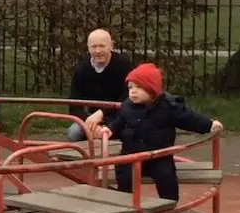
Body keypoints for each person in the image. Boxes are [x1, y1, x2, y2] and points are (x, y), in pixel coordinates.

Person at [96, 63, 223, 204]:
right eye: (130, 87)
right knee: (125, 178)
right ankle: (126, 211)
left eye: (139, 87)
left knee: (166, 177)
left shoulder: (168, 107)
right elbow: (119, 121)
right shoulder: (127, 106)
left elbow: (189, 119)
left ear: (152, 89)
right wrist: (110, 129)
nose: (133, 91)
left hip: (159, 156)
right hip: (130, 156)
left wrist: (209, 124)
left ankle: (168, 212)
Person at [67, 28, 133, 141]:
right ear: (88, 48)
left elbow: (127, 97)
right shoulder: (82, 69)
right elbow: (74, 105)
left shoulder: (123, 65)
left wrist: (102, 113)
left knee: (130, 131)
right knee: (74, 132)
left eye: (102, 46)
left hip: (117, 116)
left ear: (111, 46)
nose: (98, 51)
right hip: (92, 119)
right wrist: (89, 122)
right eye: (94, 46)